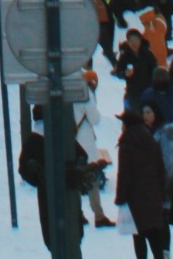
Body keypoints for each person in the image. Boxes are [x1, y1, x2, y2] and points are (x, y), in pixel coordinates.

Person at [21, 106, 90, 258]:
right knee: (71, 235)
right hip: (67, 194)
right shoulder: (61, 136)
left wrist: (38, 175)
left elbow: (23, 169)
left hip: (48, 196)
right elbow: (82, 156)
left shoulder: (33, 141)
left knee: (54, 237)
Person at [116, 106, 173, 259]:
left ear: (127, 124)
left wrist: (120, 198)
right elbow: (160, 169)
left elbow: (124, 174)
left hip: (135, 200)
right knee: (155, 236)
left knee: (138, 237)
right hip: (153, 197)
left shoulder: (126, 143)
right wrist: (162, 193)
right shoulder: (151, 139)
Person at [74, 68, 118, 228]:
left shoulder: (64, 90)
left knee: (74, 178)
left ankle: (77, 214)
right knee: (91, 179)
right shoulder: (85, 93)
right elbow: (95, 119)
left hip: (69, 142)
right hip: (85, 141)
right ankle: (98, 215)